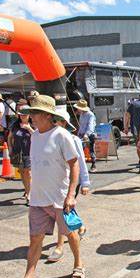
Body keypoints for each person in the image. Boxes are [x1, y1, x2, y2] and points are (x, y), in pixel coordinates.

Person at [20, 95, 86, 278]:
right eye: (31, 112)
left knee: (71, 234)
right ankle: (28, 277)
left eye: (35, 113)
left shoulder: (61, 135)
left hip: (59, 197)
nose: (31, 116)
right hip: (38, 198)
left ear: (47, 115)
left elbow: (75, 165)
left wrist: (71, 194)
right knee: (35, 239)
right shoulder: (34, 136)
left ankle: (79, 264)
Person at [47, 110, 90, 263]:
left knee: (61, 213)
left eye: (56, 120)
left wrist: (85, 183)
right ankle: (80, 225)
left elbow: (80, 164)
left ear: (64, 123)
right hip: (55, 183)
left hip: (70, 183)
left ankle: (59, 246)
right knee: (65, 211)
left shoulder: (73, 139)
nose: (53, 123)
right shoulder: (49, 138)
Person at [8, 105, 34, 205]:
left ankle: (30, 194)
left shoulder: (33, 124)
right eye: (21, 115)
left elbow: (38, 136)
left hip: (30, 152)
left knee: (28, 173)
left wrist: (29, 129)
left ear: (29, 115)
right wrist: (10, 148)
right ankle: (27, 192)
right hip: (18, 153)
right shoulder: (15, 125)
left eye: (25, 114)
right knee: (23, 173)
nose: (23, 116)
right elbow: (10, 137)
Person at [124, 92, 140, 173]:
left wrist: (126, 127)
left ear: (139, 96)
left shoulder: (133, 104)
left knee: (138, 145)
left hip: (135, 128)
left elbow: (127, 116)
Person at [74, 100, 97, 172]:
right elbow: (81, 126)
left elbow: (91, 126)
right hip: (81, 135)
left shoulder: (90, 115)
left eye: (78, 108)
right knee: (79, 150)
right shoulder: (81, 114)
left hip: (89, 135)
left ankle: (94, 165)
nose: (77, 109)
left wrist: (86, 134)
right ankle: (79, 166)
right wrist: (79, 134)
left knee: (91, 150)